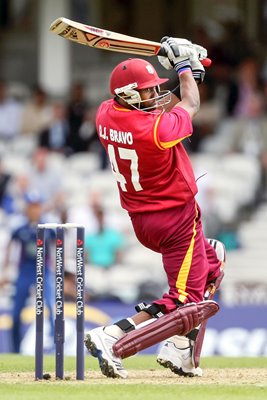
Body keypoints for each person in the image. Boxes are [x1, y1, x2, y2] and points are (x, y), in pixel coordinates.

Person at [84, 37, 226, 378]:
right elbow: (189, 105)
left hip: (143, 218)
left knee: (214, 260)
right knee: (185, 300)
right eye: (147, 91)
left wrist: (190, 72)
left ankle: (181, 349)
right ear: (130, 95)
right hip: (175, 220)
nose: (154, 95)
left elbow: (162, 108)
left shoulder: (106, 114)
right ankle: (113, 335)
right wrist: (182, 69)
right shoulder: (154, 132)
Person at [0, 191, 55, 353]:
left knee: (51, 307)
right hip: (25, 270)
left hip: (44, 270)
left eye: (37, 206)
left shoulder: (49, 226)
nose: (34, 210)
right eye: (31, 206)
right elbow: (10, 246)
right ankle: (15, 349)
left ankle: (53, 345)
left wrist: (59, 270)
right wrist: (5, 272)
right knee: (16, 312)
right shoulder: (20, 227)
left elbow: (57, 246)